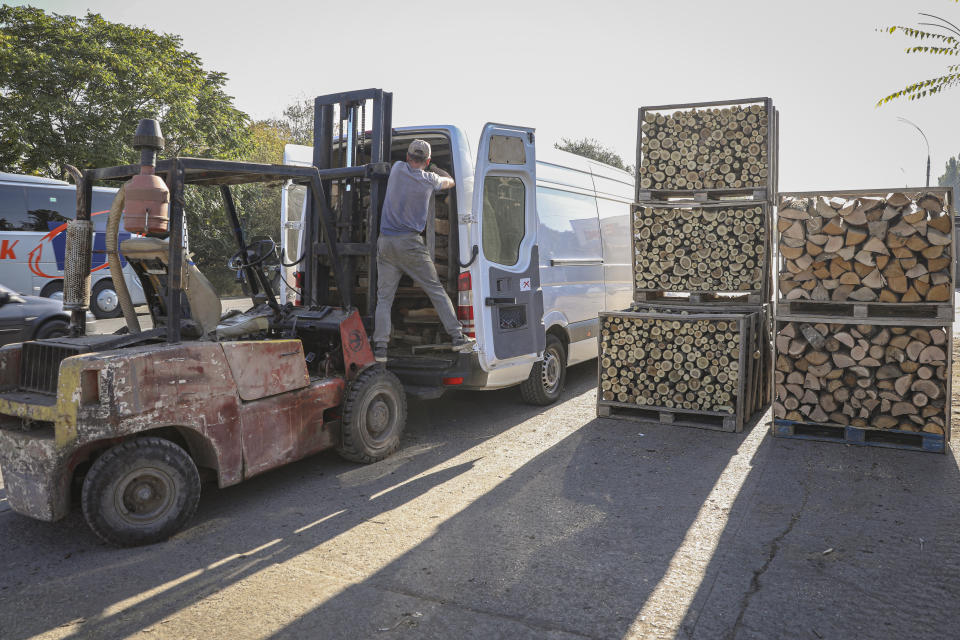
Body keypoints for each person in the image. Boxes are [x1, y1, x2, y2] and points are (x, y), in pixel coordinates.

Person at [372, 139, 475, 362]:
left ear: (408, 157)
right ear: (427, 161)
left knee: (384, 299)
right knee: (435, 290)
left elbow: (400, 164)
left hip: (385, 243)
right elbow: (451, 182)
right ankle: (457, 338)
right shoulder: (430, 179)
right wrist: (435, 167)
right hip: (409, 244)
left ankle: (380, 348)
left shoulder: (398, 169)